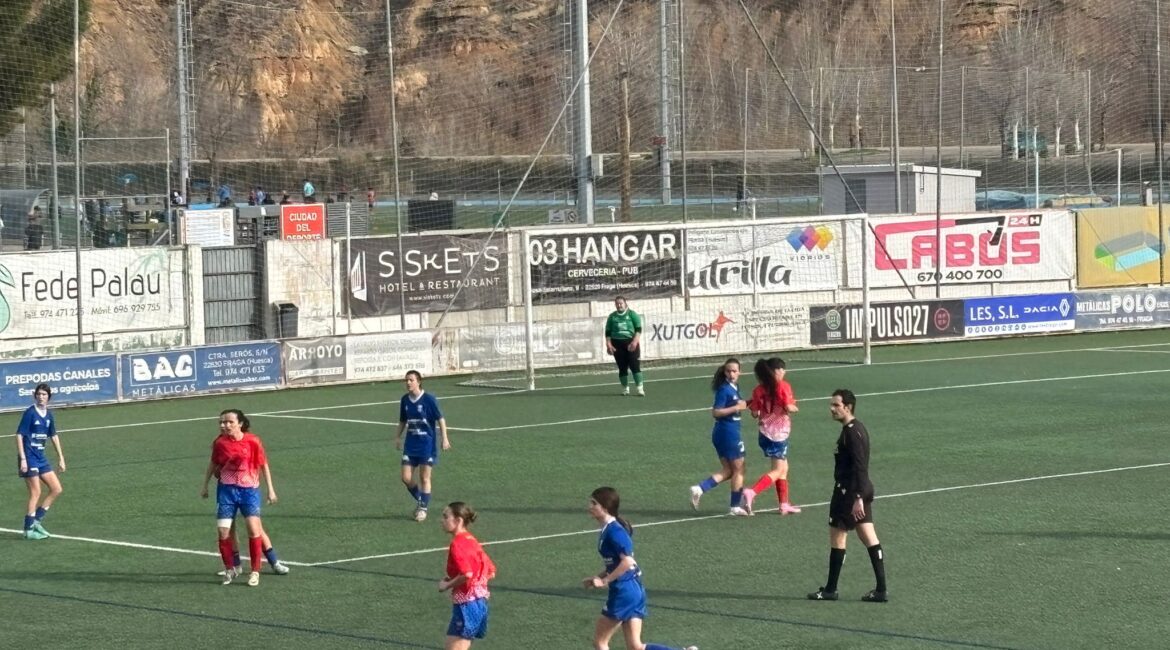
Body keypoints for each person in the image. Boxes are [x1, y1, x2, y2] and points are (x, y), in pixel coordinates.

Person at [584, 487, 698, 650]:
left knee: (600, 642)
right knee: (635, 646)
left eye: (593, 503)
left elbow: (628, 561)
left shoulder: (615, 531)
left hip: (624, 592)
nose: (589, 506)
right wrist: (598, 576)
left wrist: (605, 581)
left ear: (605, 507)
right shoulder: (608, 529)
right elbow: (616, 563)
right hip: (634, 590)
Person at [808, 389, 888, 603]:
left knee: (838, 536)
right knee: (869, 537)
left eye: (836, 405)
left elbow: (860, 466)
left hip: (849, 493)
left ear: (848, 407)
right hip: (860, 490)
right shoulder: (856, 428)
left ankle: (830, 590)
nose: (832, 409)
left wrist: (858, 497)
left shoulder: (852, 433)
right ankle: (881, 590)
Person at [200, 408, 278, 586]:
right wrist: (205, 485)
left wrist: (271, 490)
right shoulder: (220, 443)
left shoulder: (253, 441)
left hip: (248, 491)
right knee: (223, 531)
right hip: (226, 492)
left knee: (253, 530)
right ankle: (231, 569)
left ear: (240, 424)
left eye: (229, 422)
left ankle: (255, 571)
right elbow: (213, 465)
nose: (224, 425)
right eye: (221, 422)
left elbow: (263, 464)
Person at [688, 359, 749, 516]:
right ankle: (735, 506)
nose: (731, 374)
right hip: (728, 433)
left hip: (723, 433)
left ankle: (700, 488)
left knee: (729, 470)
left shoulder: (734, 388)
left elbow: (739, 405)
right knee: (739, 469)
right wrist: (737, 407)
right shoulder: (724, 390)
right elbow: (716, 412)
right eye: (728, 371)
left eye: (734, 371)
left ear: (740, 372)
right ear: (724, 372)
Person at [741, 358, 801, 516]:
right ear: (775, 371)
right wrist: (795, 407)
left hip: (764, 433)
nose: (784, 372)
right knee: (778, 469)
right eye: (782, 369)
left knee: (784, 468)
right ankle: (752, 492)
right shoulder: (783, 386)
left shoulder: (758, 390)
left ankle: (783, 504)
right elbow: (789, 407)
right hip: (778, 435)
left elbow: (754, 413)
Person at [395, 370, 450, 522]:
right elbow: (402, 421)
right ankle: (422, 501)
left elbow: (441, 419)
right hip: (410, 445)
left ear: (418, 381)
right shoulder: (405, 400)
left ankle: (422, 508)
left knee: (424, 477)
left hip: (427, 445)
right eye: (406, 380)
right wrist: (397, 437)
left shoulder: (429, 399)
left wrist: (444, 438)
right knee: (406, 477)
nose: (408, 383)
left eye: (411, 380)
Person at [439, 502, 496, 649]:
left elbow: (467, 574)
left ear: (458, 521)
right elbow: (491, 570)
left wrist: (446, 585)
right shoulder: (472, 540)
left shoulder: (457, 544)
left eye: (446, 517)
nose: (442, 520)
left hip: (466, 605)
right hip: (479, 603)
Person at [16, 384, 65, 540]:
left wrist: (61, 457)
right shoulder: (30, 413)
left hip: (41, 458)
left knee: (56, 489)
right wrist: (23, 459)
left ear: (49, 397)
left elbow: (54, 435)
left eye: (44, 394)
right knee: (36, 492)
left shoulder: (49, 415)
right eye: (38, 394)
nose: (41, 397)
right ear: (34, 396)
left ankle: (36, 520)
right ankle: (28, 530)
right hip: (29, 457)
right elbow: (19, 435)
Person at [605, 296, 644, 396]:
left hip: (631, 343)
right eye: (617, 304)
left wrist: (635, 342)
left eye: (621, 303)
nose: (619, 305)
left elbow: (638, 330)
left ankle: (640, 388)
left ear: (625, 303)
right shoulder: (612, 317)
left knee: (634, 366)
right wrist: (609, 344)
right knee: (622, 368)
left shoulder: (632, 314)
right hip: (617, 344)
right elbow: (608, 332)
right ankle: (625, 388)